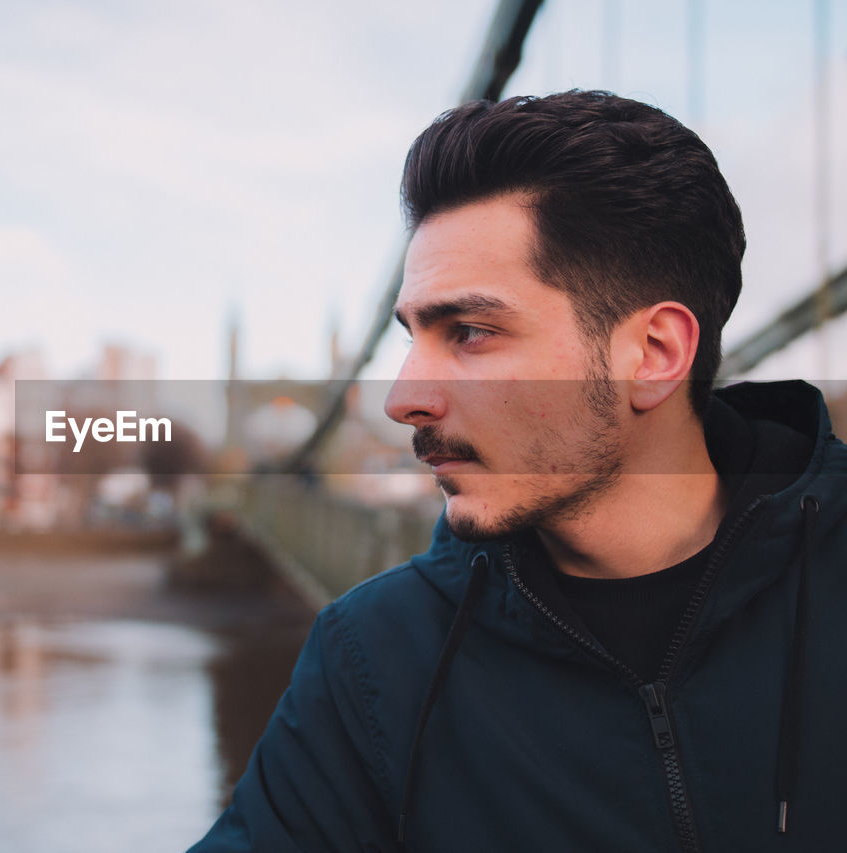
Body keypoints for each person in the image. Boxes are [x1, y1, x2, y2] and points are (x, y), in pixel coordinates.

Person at [188, 90, 846, 852]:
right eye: (412, 337)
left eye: (469, 331)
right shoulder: (373, 658)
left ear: (656, 354)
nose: (401, 398)